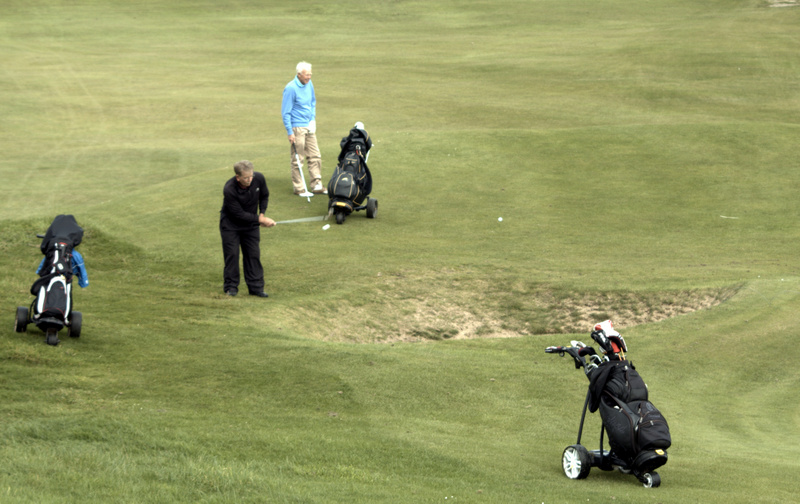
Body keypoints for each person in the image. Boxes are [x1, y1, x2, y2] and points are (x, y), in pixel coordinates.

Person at [219, 160, 276, 297]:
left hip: (251, 225)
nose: (250, 180)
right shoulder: (229, 189)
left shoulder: (258, 178)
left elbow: (264, 196)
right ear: (238, 177)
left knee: (253, 254)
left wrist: (262, 214)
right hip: (230, 226)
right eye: (246, 178)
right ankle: (231, 287)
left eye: (251, 176)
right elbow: (238, 214)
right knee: (232, 255)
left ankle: (256, 287)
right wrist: (260, 220)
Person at [281, 61, 326, 195]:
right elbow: (285, 112)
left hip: (309, 125)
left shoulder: (309, 84)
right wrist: (290, 132)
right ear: (299, 74)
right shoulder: (291, 88)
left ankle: (316, 185)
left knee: (315, 155)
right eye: (307, 75)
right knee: (298, 158)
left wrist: (312, 119)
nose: (309, 77)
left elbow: (312, 102)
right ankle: (299, 188)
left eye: (310, 74)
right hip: (297, 127)